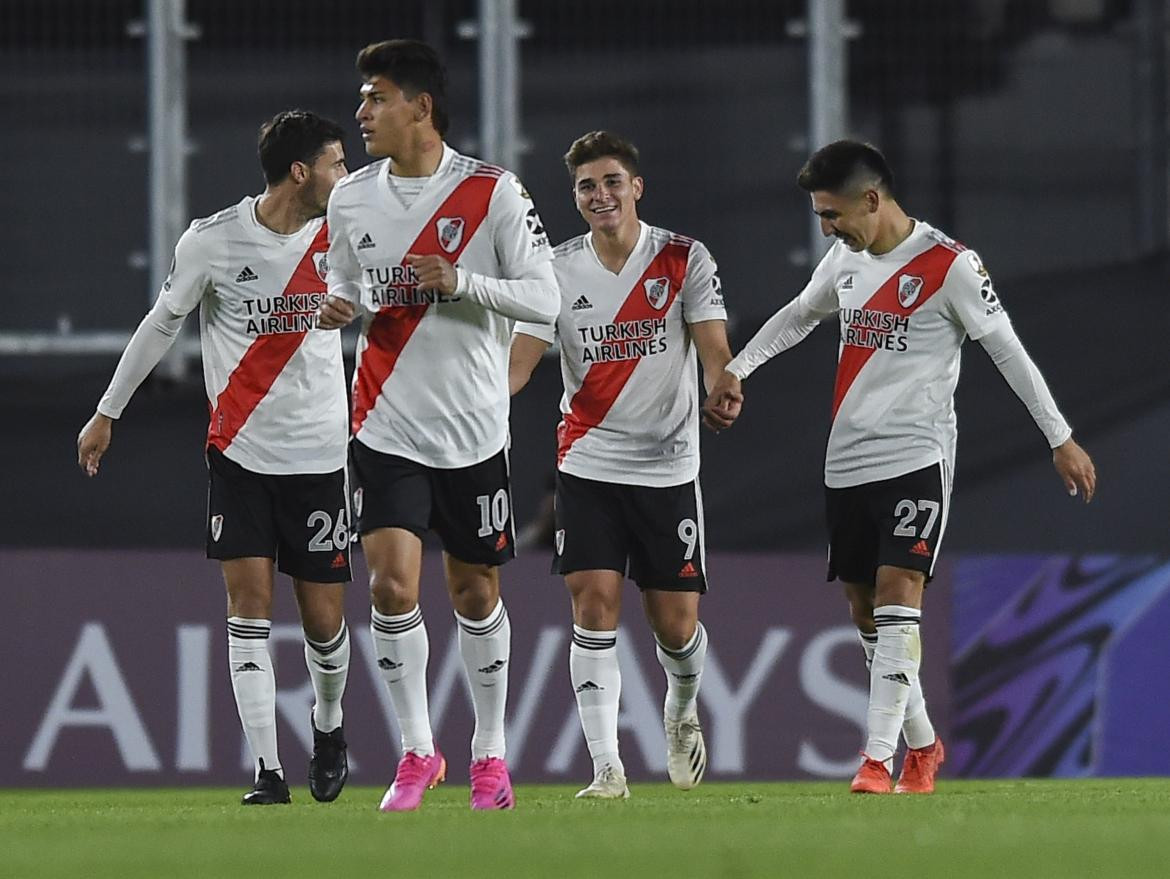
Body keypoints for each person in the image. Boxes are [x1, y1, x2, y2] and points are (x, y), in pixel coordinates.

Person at [703, 139, 1096, 795]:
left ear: (872, 199)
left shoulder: (951, 267)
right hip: (847, 457)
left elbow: (1009, 353)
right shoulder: (846, 260)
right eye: (821, 216)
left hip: (917, 453)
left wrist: (1060, 436)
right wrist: (739, 368)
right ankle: (923, 744)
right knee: (864, 610)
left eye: (832, 214)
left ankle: (874, 759)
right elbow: (801, 314)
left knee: (897, 595)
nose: (826, 228)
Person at [76, 111, 353, 805]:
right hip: (241, 455)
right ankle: (268, 769)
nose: (344, 176)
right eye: (335, 162)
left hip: (319, 455)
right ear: (300, 172)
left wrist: (362, 308)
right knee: (248, 606)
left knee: (324, 622)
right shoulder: (213, 240)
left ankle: (328, 724)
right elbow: (161, 323)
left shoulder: (344, 234)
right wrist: (108, 410)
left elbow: (386, 304)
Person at [318, 39, 558, 812]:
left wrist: (463, 282)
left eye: (375, 97)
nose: (361, 113)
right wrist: (339, 303)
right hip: (384, 424)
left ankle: (490, 750)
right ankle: (417, 751)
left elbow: (547, 300)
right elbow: (344, 278)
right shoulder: (351, 196)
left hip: (474, 429)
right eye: (362, 98)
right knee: (390, 584)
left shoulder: (492, 192)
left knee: (474, 590)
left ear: (419, 108)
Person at [509, 131, 738, 799]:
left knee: (675, 624)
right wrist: (481, 398)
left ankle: (681, 705)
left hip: (668, 467)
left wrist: (722, 384)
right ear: (575, 198)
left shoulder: (682, 258)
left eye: (611, 181)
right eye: (586, 186)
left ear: (636, 186)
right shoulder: (554, 269)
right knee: (593, 603)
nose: (600, 195)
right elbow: (521, 360)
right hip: (587, 463)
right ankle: (607, 766)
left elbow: (714, 346)